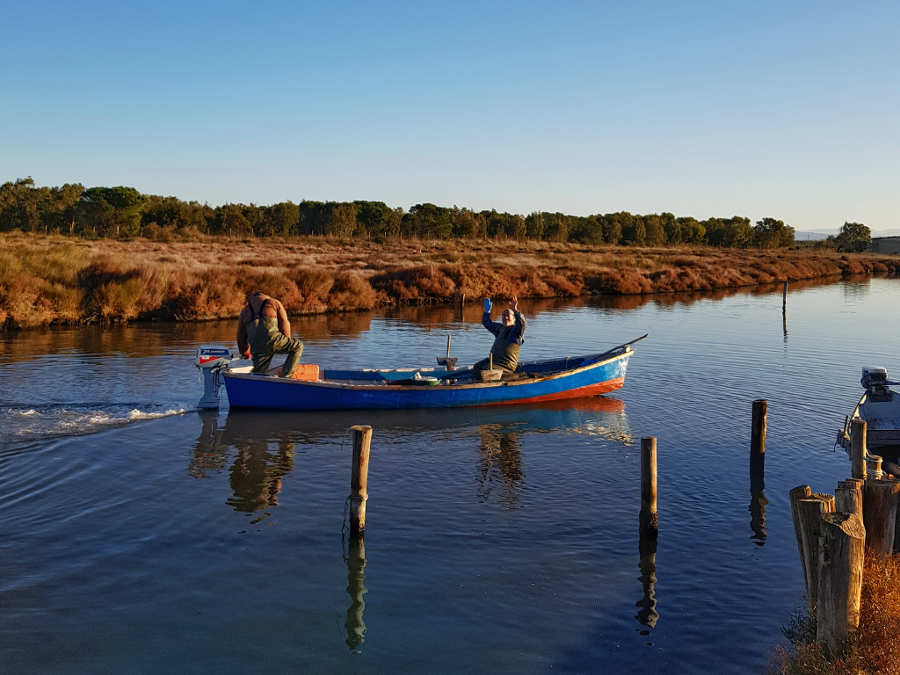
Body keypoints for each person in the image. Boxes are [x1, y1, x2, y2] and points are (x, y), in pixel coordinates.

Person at [236, 290, 304, 377]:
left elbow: (240, 335)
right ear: (265, 296)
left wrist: (244, 352)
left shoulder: (245, 311)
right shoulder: (273, 303)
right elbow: (284, 322)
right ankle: (286, 377)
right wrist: (286, 340)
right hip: (273, 339)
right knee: (297, 346)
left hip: (257, 346)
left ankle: (256, 384)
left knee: (258, 374)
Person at [474, 295, 526, 373]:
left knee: (485, 369)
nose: (505, 317)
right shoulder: (500, 329)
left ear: (514, 318)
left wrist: (515, 310)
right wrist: (487, 312)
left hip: (506, 366)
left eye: (508, 315)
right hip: (494, 362)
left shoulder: (517, 331)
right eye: (503, 315)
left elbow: (522, 324)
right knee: (477, 366)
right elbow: (487, 323)